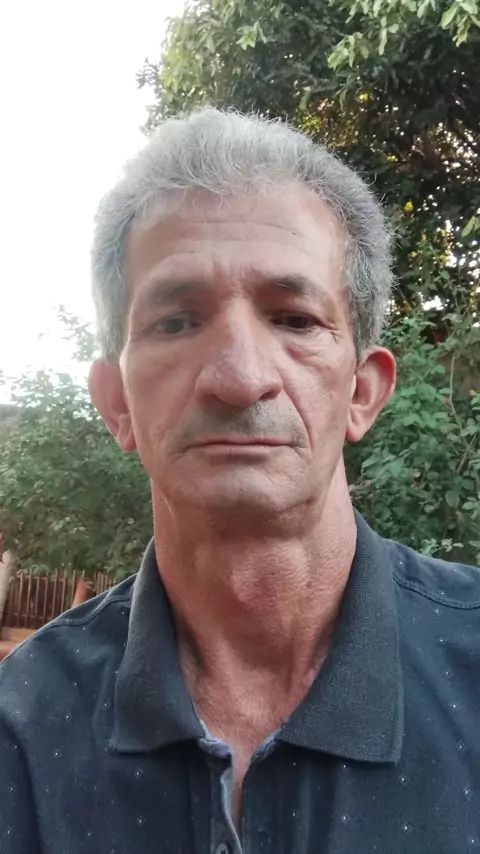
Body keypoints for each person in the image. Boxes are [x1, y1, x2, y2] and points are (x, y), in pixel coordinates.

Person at [1, 109, 479, 854]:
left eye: (294, 319)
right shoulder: (22, 727)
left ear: (361, 391)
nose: (240, 376)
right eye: (176, 322)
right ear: (117, 404)